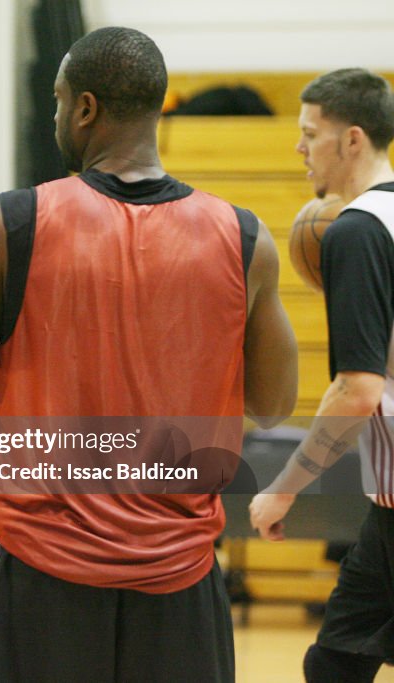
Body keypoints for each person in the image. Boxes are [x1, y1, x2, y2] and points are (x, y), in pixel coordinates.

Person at [0, 27, 298, 682]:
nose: (56, 114)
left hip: (45, 574)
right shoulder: (244, 237)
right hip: (181, 578)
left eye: (59, 100)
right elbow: (273, 402)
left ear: (85, 108)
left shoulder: (14, 224)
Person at [249, 69, 394, 682]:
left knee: (335, 667)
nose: (299, 148)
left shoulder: (357, 230)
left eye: (311, 133)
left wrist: (284, 486)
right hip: (387, 515)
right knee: (336, 662)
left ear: (353, 139)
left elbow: (358, 388)